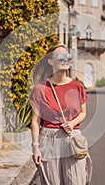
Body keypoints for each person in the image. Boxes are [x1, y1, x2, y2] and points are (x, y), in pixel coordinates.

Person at [29, 43, 92, 185]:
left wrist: (72, 123)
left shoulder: (78, 86)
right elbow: (35, 121)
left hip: (72, 138)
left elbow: (83, 113)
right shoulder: (40, 88)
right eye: (60, 56)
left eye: (68, 56)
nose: (65, 59)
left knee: (76, 181)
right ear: (50, 61)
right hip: (49, 140)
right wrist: (35, 147)